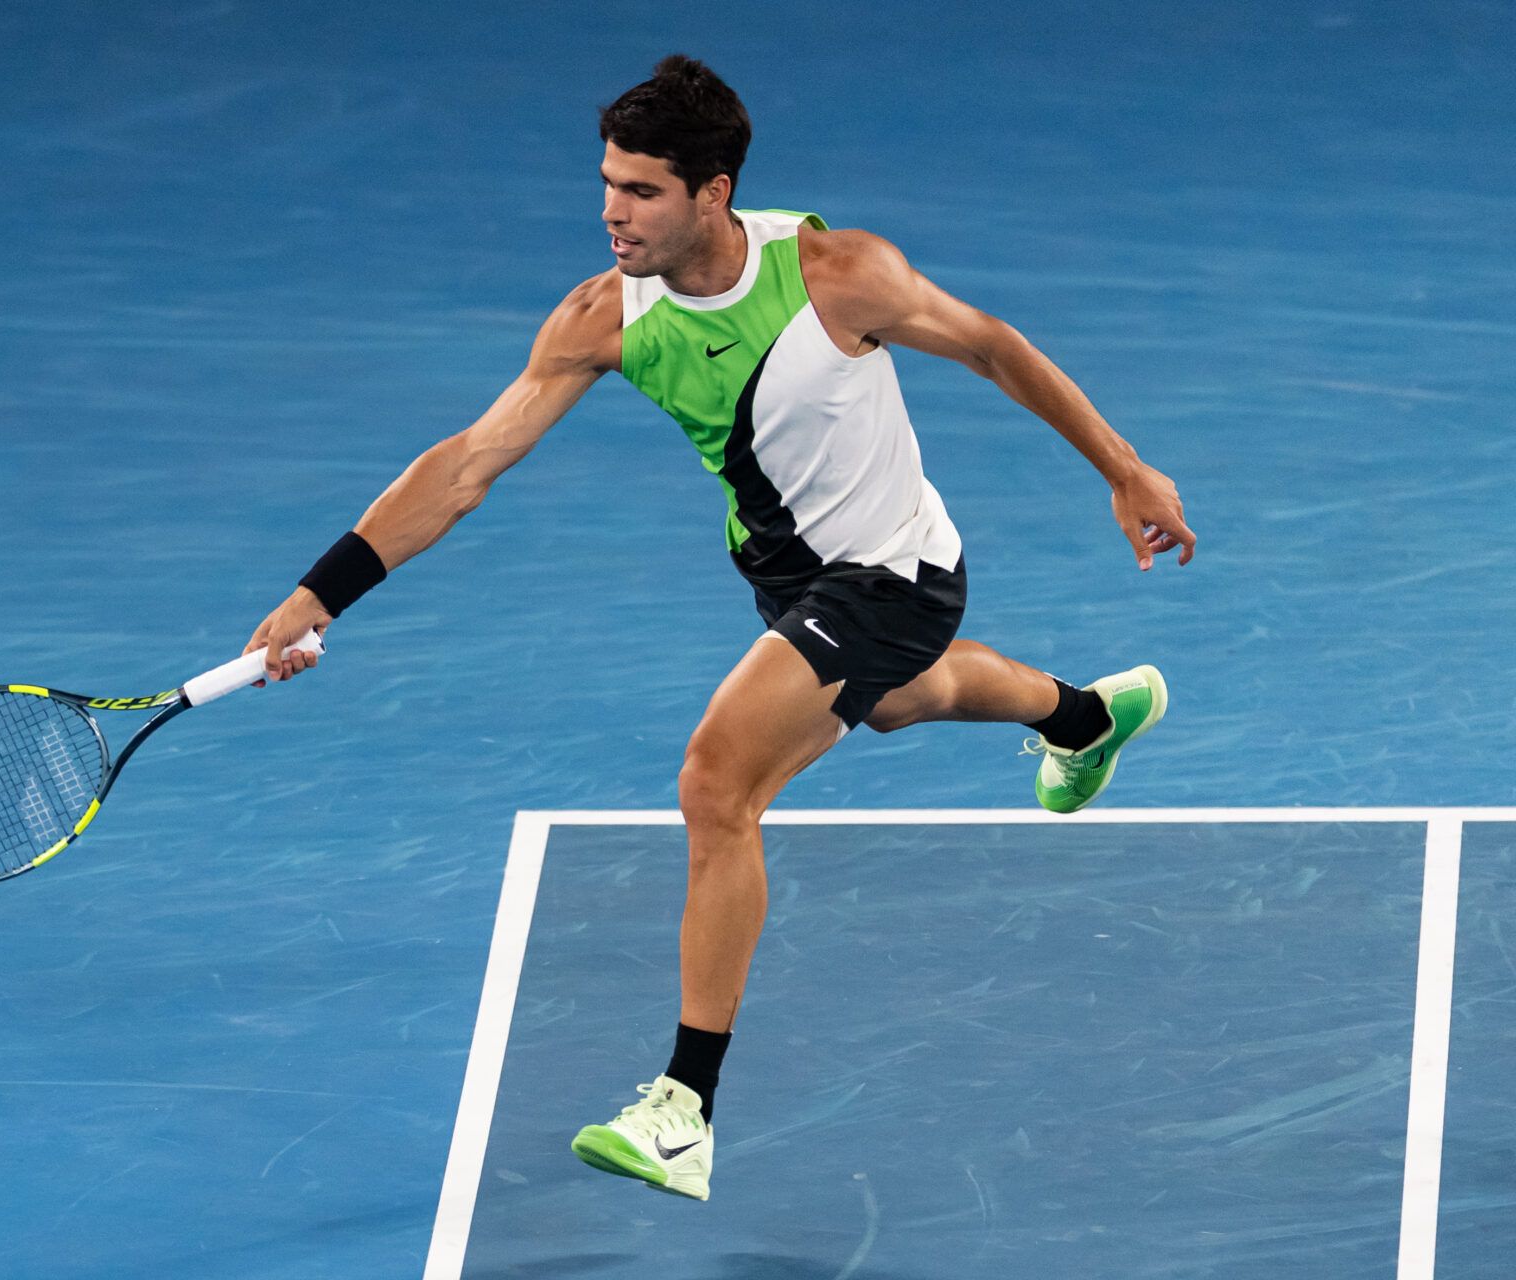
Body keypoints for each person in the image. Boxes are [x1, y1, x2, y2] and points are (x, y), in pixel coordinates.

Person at [243, 55, 1195, 1202]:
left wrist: (1125, 470)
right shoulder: (603, 316)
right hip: (788, 578)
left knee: (717, 781)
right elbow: (466, 466)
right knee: (903, 698)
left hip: (893, 573)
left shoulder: (839, 276)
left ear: (714, 192)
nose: (613, 212)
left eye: (642, 191)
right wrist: (321, 592)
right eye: (608, 183)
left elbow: (994, 346)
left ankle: (683, 1109)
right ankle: (1085, 716)